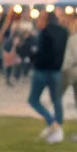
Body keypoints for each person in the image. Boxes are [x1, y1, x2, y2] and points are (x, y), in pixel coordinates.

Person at [29, 11, 69, 143]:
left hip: (41, 69)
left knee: (33, 100)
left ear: (46, 19)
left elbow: (39, 50)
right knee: (56, 100)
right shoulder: (64, 32)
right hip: (56, 70)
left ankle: (52, 123)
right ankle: (58, 128)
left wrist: (32, 57)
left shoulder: (44, 32)